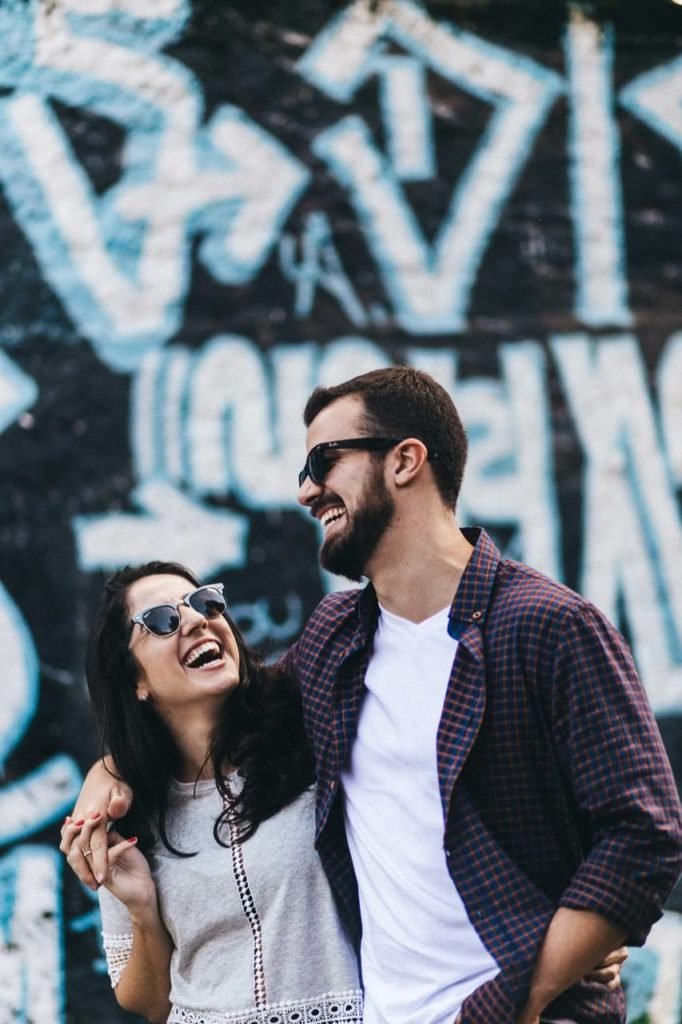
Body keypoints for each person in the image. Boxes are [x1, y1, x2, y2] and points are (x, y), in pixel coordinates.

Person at [66, 368, 682, 1024]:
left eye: (323, 461)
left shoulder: (545, 625)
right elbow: (218, 711)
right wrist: (108, 771)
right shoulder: (337, 643)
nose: (306, 490)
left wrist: (531, 986)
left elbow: (644, 834)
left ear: (405, 461)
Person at [60, 561, 362, 1024]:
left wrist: (106, 768)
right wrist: (142, 909)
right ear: (135, 682)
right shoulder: (127, 810)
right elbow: (146, 1003)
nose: (198, 620)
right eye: (163, 620)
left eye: (205, 603)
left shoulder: (311, 732)